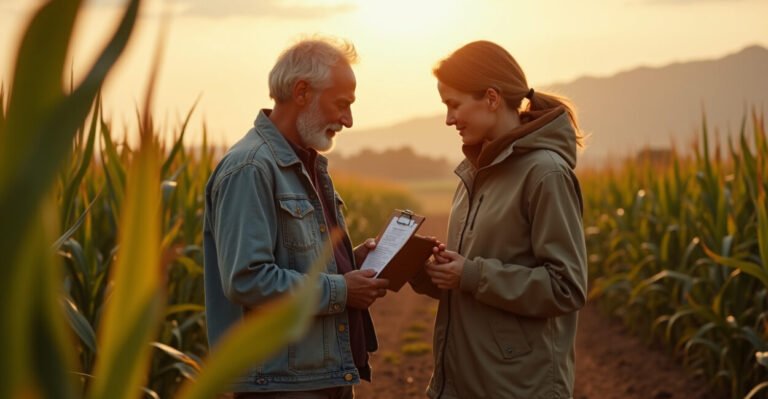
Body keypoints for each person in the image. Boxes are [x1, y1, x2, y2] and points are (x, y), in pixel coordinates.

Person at [203, 36, 389, 398]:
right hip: (280, 387)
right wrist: (343, 289)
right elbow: (248, 280)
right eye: (342, 104)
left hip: (321, 376)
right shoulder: (251, 168)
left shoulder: (307, 163)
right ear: (302, 92)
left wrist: (353, 263)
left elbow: (301, 261)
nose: (348, 120)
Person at [409, 40, 589, 398]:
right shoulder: (474, 174)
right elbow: (471, 280)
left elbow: (566, 287)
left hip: (518, 387)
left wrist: (471, 274)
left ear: (491, 98)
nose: (449, 119)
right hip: (464, 384)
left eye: (454, 105)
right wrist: (429, 272)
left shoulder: (545, 174)